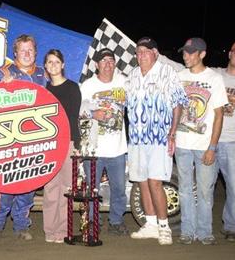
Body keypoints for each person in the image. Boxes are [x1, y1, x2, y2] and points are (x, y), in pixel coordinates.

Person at [125, 37, 187, 245]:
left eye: (146, 51)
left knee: (155, 182)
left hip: (159, 138)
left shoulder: (167, 72)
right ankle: (150, 225)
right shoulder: (132, 75)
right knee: (141, 181)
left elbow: (178, 102)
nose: (141, 55)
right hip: (136, 138)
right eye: (138, 51)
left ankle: (164, 226)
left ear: (155, 53)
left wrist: (172, 133)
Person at [0, 34, 48, 241]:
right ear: (15, 53)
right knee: (5, 185)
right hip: (8, 139)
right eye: (22, 50)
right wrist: (4, 87)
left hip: (35, 139)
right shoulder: (3, 72)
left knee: (27, 186)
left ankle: (21, 225)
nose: (27, 54)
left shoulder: (43, 74)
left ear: (36, 52)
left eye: (30, 50)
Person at [175, 37, 228, 245]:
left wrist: (212, 147)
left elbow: (219, 114)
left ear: (202, 54)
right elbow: (175, 108)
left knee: (205, 190)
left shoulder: (214, 78)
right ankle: (188, 231)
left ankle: (205, 231)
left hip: (204, 144)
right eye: (184, 52)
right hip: (182, 143)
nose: (186, 56)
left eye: (190, 52)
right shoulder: (179, 77)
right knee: (185, 189)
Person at [80, 48, 128, 236]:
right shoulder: (87, 85)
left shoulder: (123, 82)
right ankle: (92, 221)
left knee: (119, 189)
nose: (108, 64)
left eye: (111, 60)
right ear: (96, 65)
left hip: (117, 148)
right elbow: (77, 110)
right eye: (104, 61)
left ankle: (116, 221)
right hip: (94, 149)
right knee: (92, 190)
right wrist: (93, 113)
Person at [42, 49, 81, 243]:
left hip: (68, 143)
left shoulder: (73, 88)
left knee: (66, 189)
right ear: (46, 66)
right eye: (50, 62)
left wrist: (77, 145)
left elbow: (74, 119)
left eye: (57, 61)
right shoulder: (43, 90)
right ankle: (50, 231)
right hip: (49, 145)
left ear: (63, 65)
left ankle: (64, 230)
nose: (54, 65)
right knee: (50, 189)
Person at [213, 42, 235, 242]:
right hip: (209, 140)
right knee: (204, 188)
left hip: (232, 142)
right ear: (229, 53)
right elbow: (185, 69)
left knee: (234, 186)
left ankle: (230, 226)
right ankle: (201, 228)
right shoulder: (216, 75)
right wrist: (158, 56)